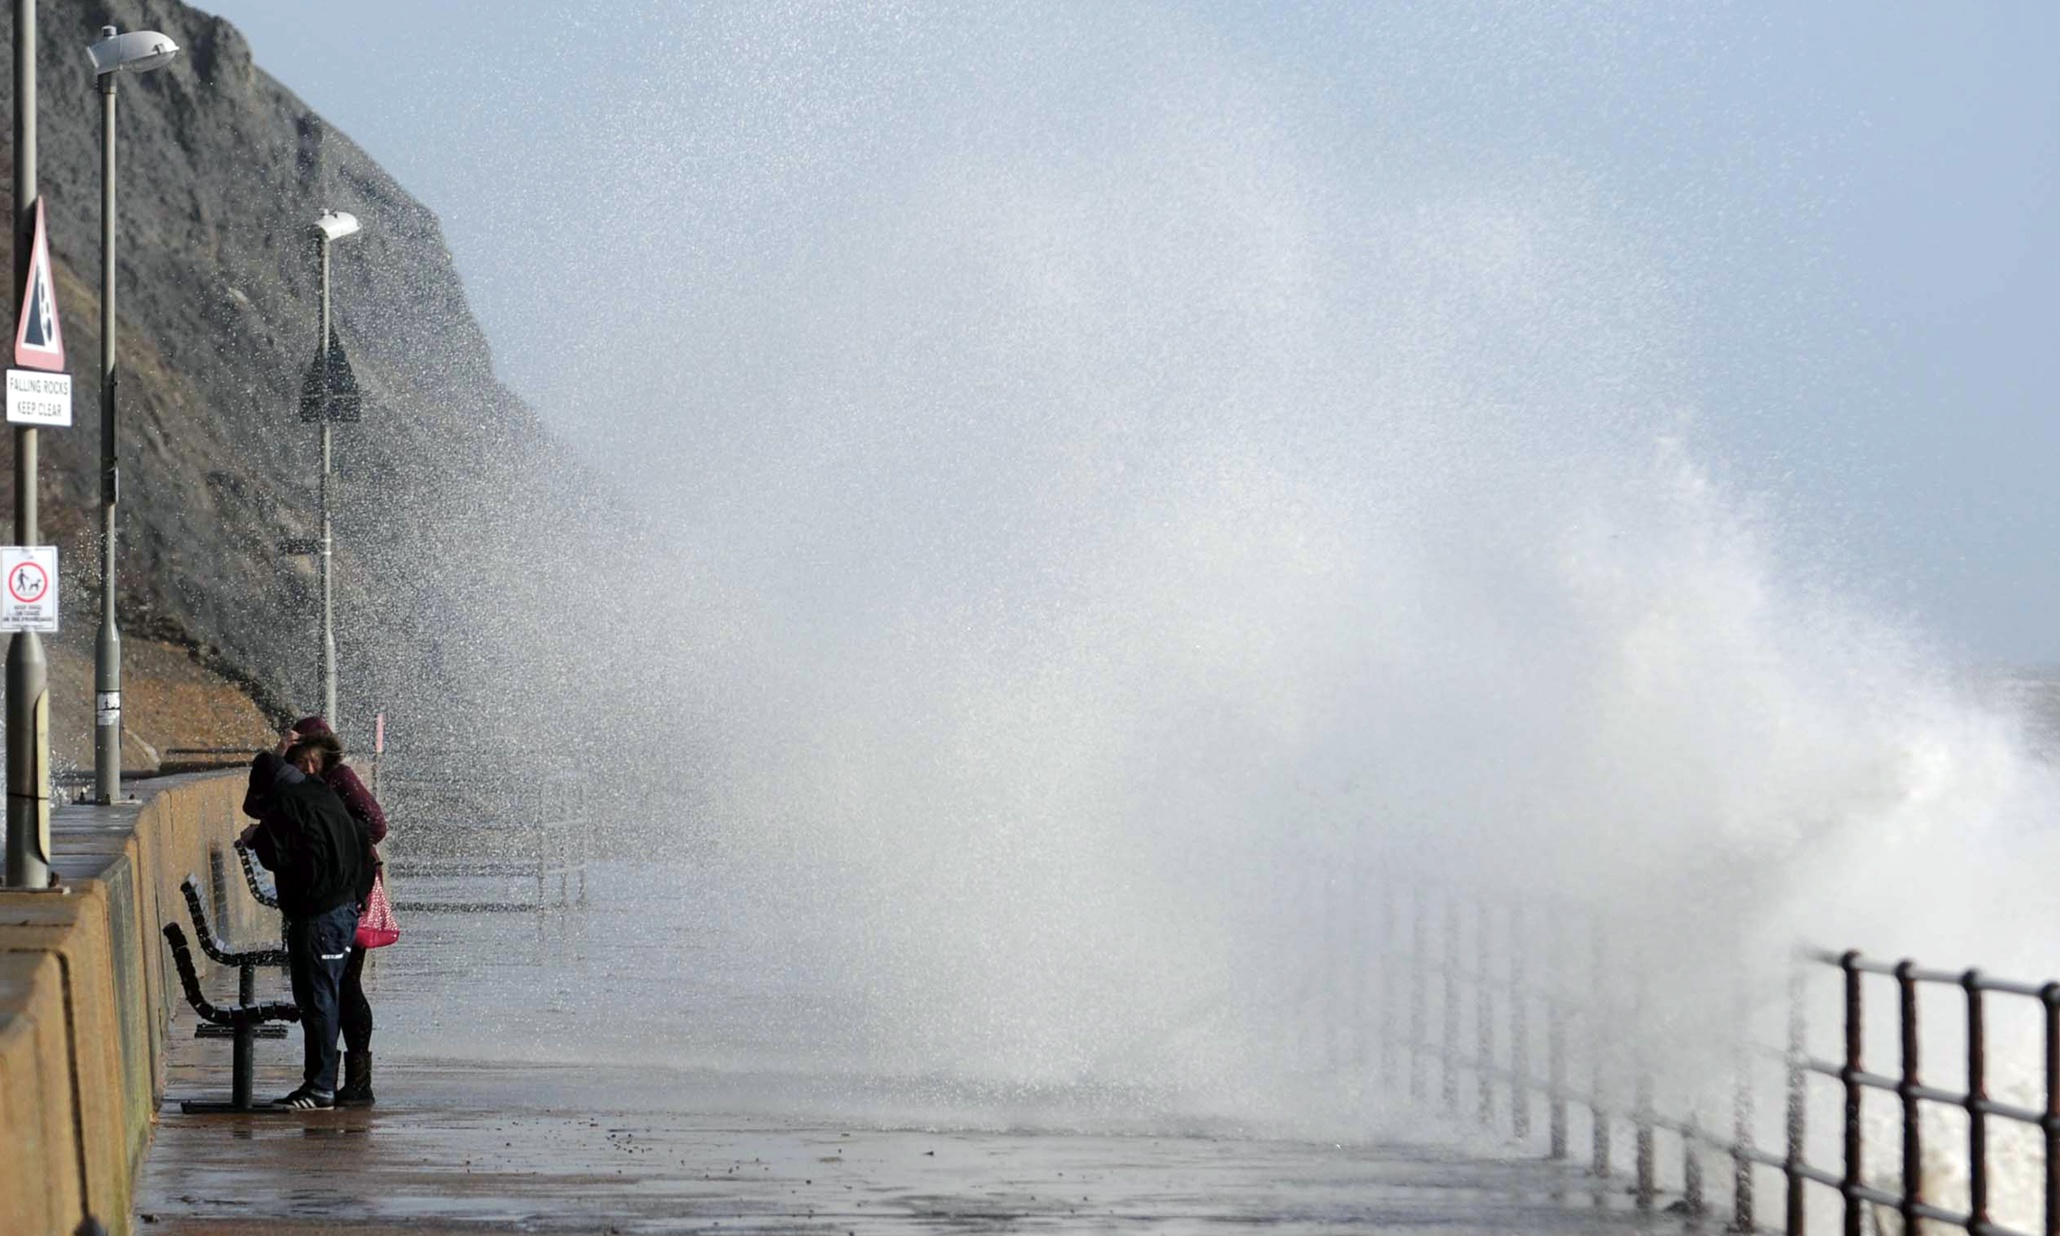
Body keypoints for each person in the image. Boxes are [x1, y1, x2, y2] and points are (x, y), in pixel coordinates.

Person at [239, 738, 370, 1109]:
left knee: (318, 1000)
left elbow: (276, 855)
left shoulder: (288, 803)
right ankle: (320, 1084)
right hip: (341, 909)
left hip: (319, 916)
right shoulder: (317, 792)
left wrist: (257, 838)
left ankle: (320, 1087)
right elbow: (349, 836)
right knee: (324, 996)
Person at [284, 716, 388, 1107]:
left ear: (324, 752)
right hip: (329, 892)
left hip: (353, 890)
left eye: (312, 758)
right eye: (300, 760)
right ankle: (348, 1083)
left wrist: (337, 838)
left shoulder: (340, 778)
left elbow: (376, 824)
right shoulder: (300, 783)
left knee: (348, 986)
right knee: (337, 987)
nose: (308, 767)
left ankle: (359, 1083)